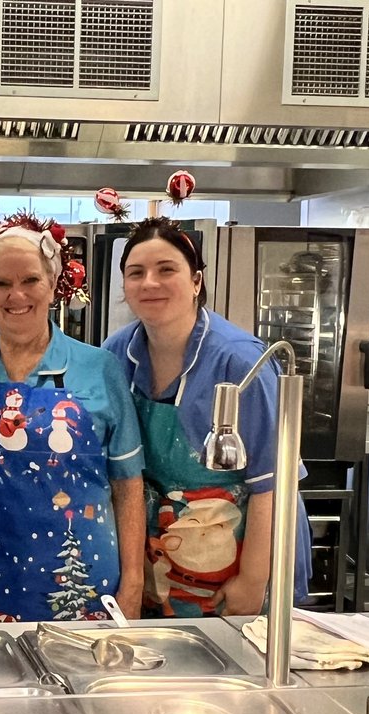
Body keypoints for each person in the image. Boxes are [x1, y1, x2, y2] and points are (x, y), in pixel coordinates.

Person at [0, 212, 146, 622]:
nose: (17, 295)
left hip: (82, 585)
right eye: (1, 283)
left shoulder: (100, 368)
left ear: (53, 283)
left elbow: (128, 483)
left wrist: (133, 585)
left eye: (30, 280)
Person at [102, 216, 312, 617]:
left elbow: (274, 484)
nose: (149, 283)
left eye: (167, 270)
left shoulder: (241, 361)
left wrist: (253, 581)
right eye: (136, 273)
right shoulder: (116, 353)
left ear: (196, 281)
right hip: (164, 560)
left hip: (243, 555)